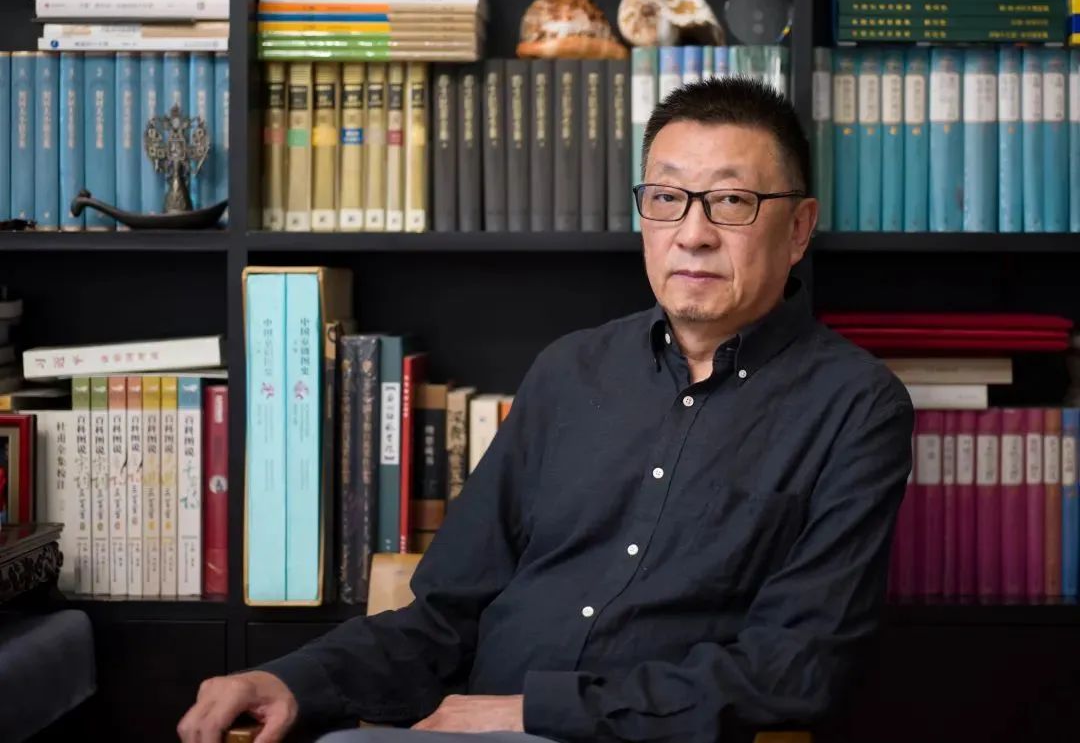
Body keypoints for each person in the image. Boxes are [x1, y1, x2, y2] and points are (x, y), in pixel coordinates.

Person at [178, 76, 914, 743]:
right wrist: (291, 680)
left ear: (798, 228)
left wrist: (530, 711)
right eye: (666, 198)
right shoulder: (569, 371)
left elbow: (794, 668)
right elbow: (444, 618)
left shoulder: (855, 405)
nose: (693, 233)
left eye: (731, 201)